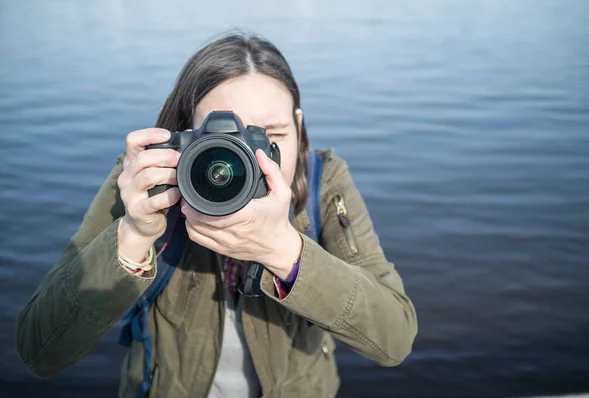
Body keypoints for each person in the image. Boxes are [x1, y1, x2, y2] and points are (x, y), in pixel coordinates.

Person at [15, 33, 417, 398]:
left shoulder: (324, 184)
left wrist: (286, 253)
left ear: (298, 125)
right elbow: (40, 352)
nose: (253, 162)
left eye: (272, 137)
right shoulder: (145, 186)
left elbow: (394, 339)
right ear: (184, 134)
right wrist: (135, 235)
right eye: (224, 142)